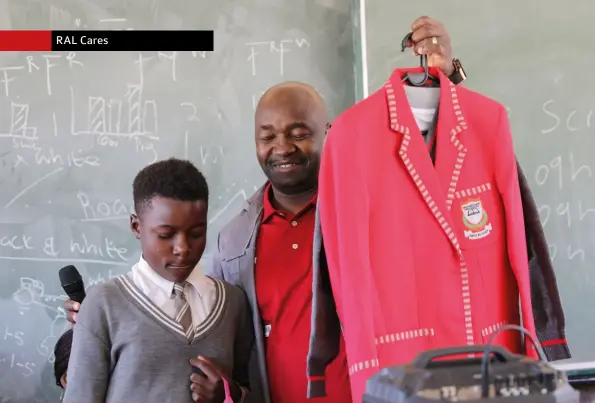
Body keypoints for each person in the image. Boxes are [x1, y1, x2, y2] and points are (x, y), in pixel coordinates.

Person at [63, 16, 460, 403]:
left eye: (299, 133)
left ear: (329, 132)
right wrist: (101, 317)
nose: (282, 148)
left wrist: (447, 82)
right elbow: (195, 312)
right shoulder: (235, 239)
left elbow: (434, 170)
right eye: (267, 136)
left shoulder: (371, 205)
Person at [62, 158, 253, 403]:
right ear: (136, 226)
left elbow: (251, 388)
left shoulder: (232, 303)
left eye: (196, 233)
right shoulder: (104, 305)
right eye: (165, 235)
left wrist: (231, 395)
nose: (183, 248)